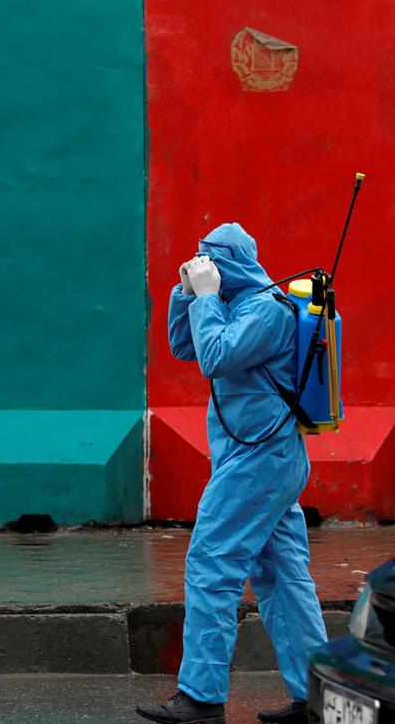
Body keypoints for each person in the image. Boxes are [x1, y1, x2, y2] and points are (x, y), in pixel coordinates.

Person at [137, 223, 328, 724]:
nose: (203, 266)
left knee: (211, 563)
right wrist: (187, 292)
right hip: (257, 460)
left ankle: (200, 697)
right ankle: (316, 696)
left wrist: (205, 297)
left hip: (260, 461)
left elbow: (216, 357)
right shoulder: (231, 302)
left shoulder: (267, 308)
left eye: (208, 259)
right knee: (283, 576)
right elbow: (188, 347)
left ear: (230, 262)